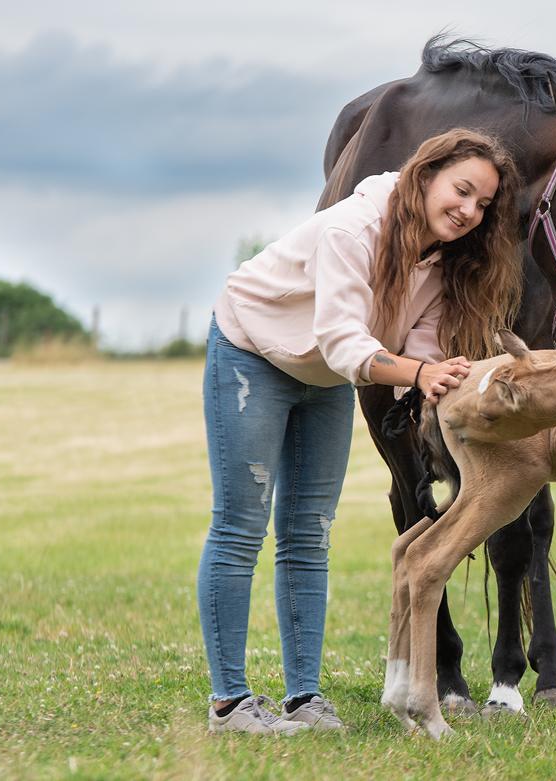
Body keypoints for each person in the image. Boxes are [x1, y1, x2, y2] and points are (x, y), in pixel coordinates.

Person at [198, 129, 523, 734]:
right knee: (241, 526)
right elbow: (347, 342)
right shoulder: (354, 229)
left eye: (484, 205)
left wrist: (444, 391)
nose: (469, 211)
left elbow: (420, 350)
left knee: (308, 532)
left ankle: (304, 700)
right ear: (426, 175)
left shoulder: (445, 258)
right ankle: (230, 703)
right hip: (251, 352)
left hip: (322, 378)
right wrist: (420, 371)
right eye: (462, 190)